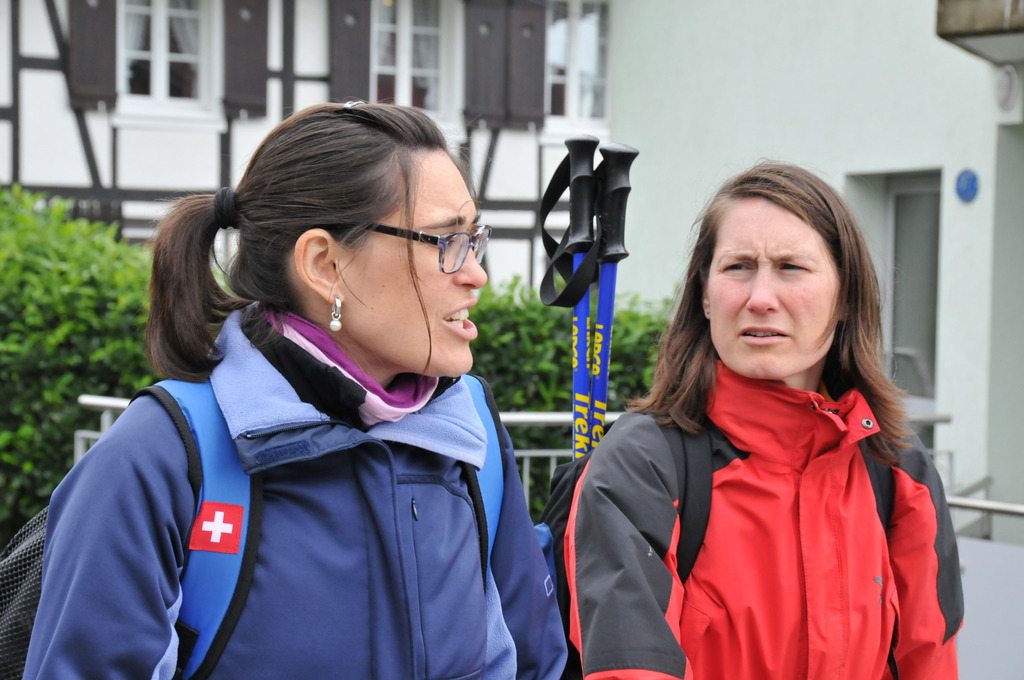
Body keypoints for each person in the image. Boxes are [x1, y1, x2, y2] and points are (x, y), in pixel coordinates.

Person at [24, 102, 566, 679]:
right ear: (324, 264)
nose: (477, 274)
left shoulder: (470, 431)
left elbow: (535, 664)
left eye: (473, 238)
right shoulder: (156, 459)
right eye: (444, 241)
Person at [564, 162, 963, 679]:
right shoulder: (641, 464)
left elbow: (930, 662)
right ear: (705, 295)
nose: (760, 299)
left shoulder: (898, 467)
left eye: (791, 267)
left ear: (845, 297)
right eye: (738, 267)